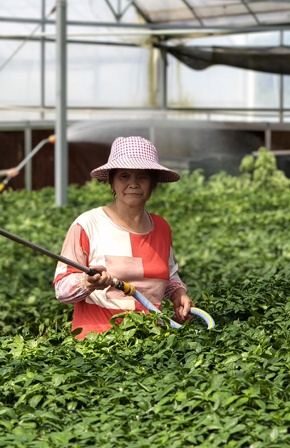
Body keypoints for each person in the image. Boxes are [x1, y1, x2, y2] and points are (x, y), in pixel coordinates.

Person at [53, 136, 195, 339]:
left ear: (153, 183)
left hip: (153, 342)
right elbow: (61, 289)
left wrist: (178, 294)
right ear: (111, 181)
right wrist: (87, 282)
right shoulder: (87, 224)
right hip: (98, 345)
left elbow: (170, 275)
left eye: (143, 176)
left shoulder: (161, 227)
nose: (134, 184)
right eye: (124, 176)